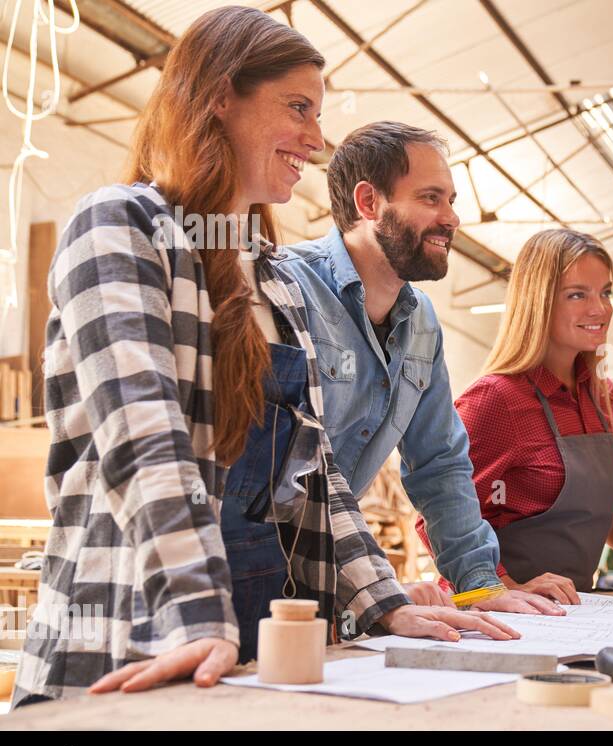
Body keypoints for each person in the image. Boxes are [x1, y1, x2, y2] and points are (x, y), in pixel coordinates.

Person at [12, 7, 516, 707]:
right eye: (298, 107)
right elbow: (142, 437)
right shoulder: (120, 227)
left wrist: (384, 602)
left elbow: (318, 479)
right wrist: (196, 611)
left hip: (258, 633)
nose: (316, 138)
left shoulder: (275, 280)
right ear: (221, 96)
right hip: (135, 623)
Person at [278, 122, 572, 614]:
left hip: (332, 574)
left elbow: (439, 463)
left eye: (451, 200)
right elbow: (298, 468)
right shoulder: (289, 288)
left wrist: (480, 588)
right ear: (369, 202)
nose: (451, 218)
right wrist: (381, 591)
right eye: (431, 198)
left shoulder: (421, 322)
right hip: (256, 565)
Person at [416, 229, 613, 597]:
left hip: (571, 610)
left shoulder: (602, 396)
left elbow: (594, 508)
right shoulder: (496, 399)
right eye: (577, 295)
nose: (600, 309)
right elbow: (439, 516)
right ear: (538, 302)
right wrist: (506, 589)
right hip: (491, 609)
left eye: (605, 293)